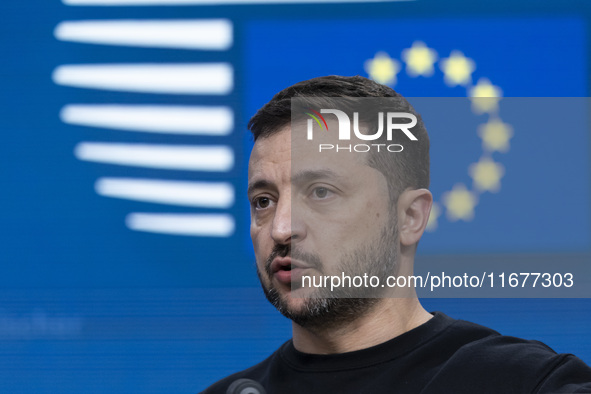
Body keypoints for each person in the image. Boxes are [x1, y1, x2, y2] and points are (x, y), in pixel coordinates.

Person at [201, 75, 591, 393]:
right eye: (264, 201)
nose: (283, 228)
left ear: (409, 217)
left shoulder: (528, 384)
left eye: (321, 192)